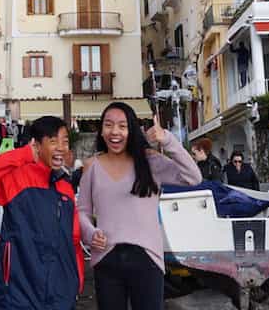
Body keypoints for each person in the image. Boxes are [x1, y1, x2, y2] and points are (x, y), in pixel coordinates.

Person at [77, 103, 201, 310]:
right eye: (108, 125)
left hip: (147, 258)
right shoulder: (92, 166)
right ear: (101, 130)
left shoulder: (150, 161)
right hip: (106, 258)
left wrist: (167, 140)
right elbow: (82, 211)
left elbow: (193, 177)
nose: (115, 132)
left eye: (122, 126)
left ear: (131, 129)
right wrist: (90, 234)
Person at [0, 116, 81, 310]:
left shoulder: (65, 186)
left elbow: (74, 238)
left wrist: (76, 279)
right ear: (36, 145)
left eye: (65, 141)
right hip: (19, 290)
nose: (61, 147)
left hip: (61, 291)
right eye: (53, 141)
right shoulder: (16, 178)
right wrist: (24, 155)